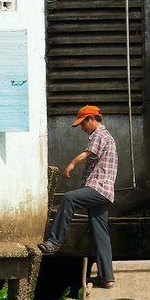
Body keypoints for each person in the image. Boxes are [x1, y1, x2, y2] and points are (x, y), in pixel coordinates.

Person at [38, 105, 117, 288]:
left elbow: (85, 154)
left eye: (83, 124)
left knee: (69, 198)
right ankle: (107, 277)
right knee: (101, 235)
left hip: (99, 189)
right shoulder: (105, 136)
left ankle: (54, 242)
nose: (82, 128)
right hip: (104, 191)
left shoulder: (100, 135)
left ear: (91, 118)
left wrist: (71, 165)